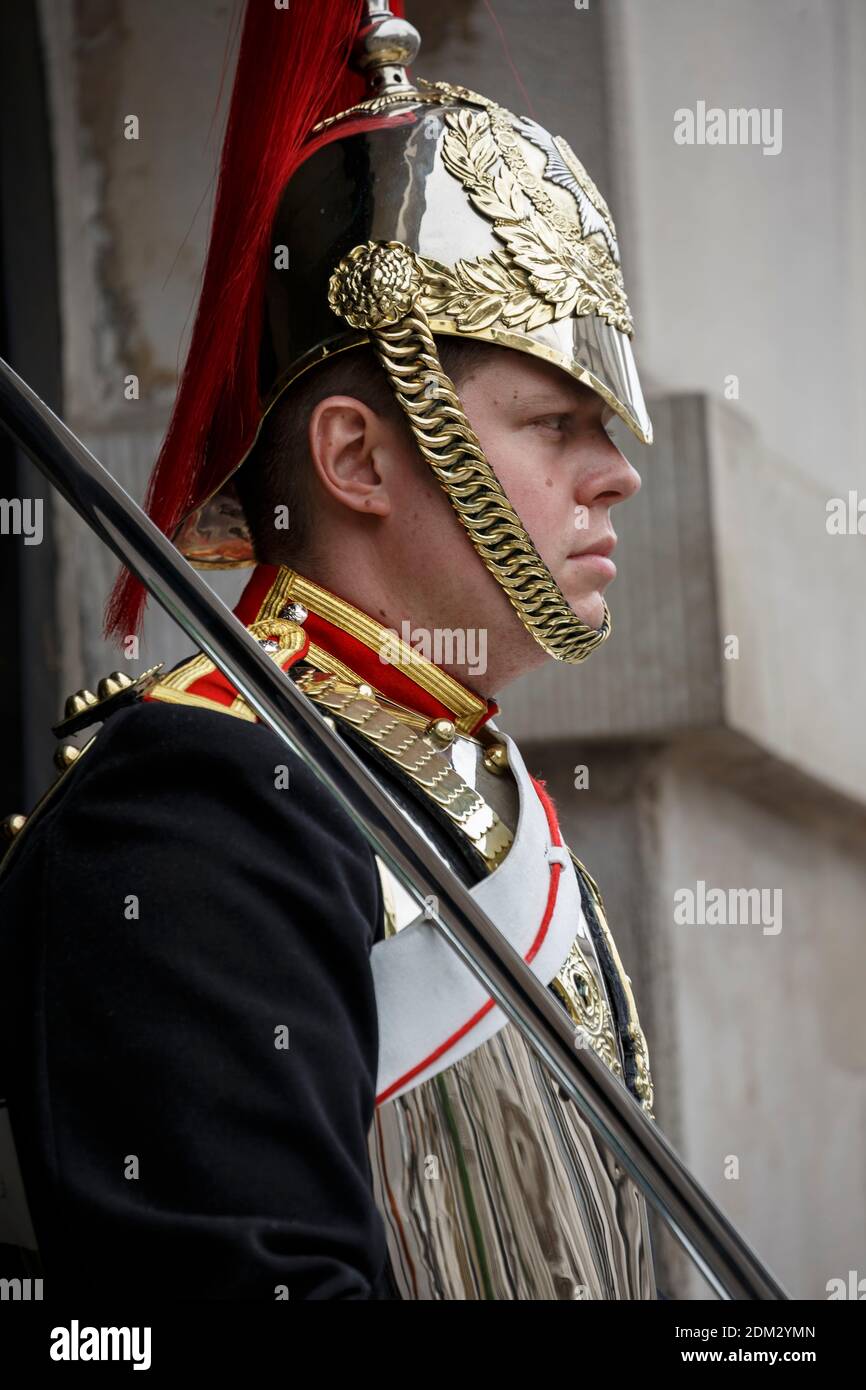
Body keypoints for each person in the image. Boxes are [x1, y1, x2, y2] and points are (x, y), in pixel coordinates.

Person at [0, 0, 658, 1300]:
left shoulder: (470, 782)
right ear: (357, 455)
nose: (616, 476)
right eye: (553, 422)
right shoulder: (187, 817)